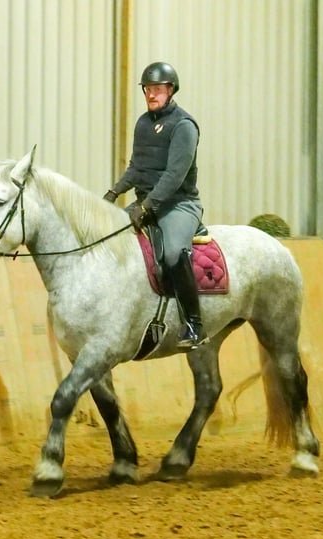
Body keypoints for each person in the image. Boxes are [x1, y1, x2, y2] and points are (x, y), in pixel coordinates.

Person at [103, 61, 208, 349]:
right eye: (148, 90)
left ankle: (194, 325)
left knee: (173, 252)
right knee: (109, 238)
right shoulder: (143, 123)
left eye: (157, 89)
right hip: (146, 203)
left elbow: (175, 176)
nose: (151, 95)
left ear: (171, 90)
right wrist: (113, 193)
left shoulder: (184, 126)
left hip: (179, 204)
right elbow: (137, 166)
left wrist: (147, 207)